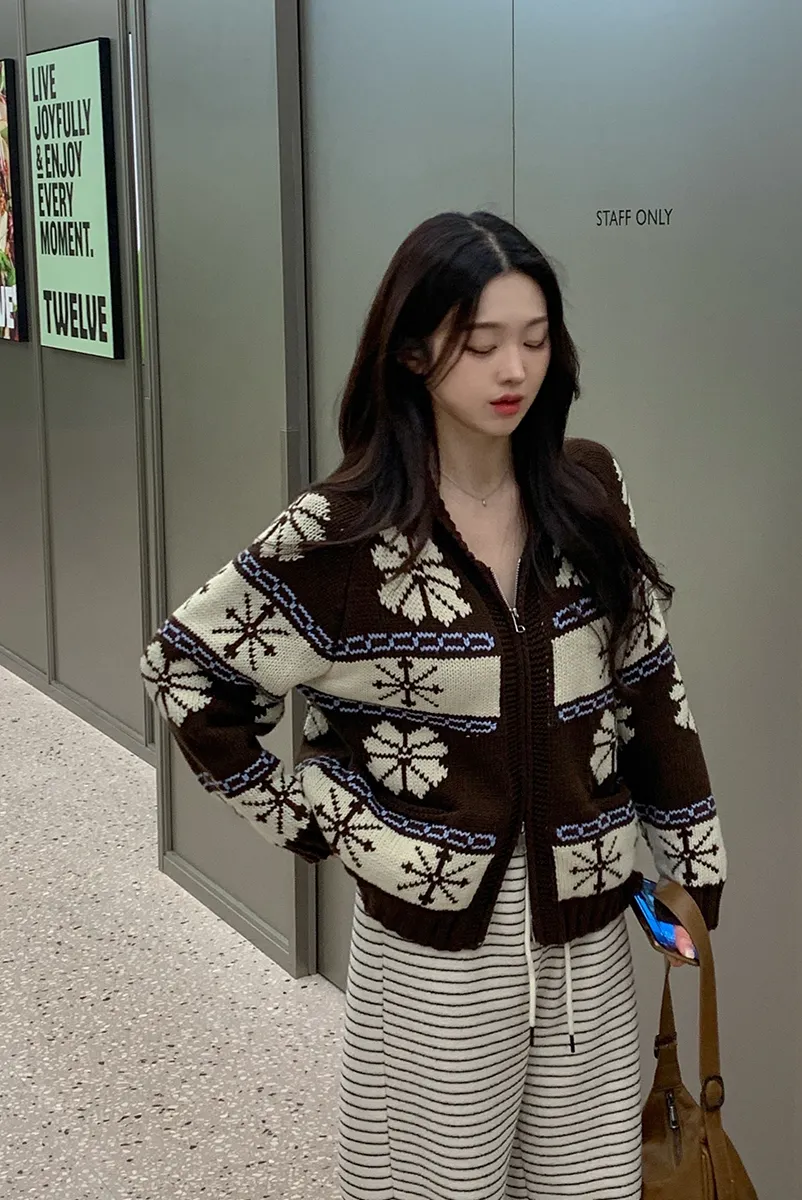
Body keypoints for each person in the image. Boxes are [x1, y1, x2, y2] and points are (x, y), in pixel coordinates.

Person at [139, 210, 727, 1199]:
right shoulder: (345, 533)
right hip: (432, 965)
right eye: (481, 344)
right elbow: (186, 674)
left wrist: (691, 872)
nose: (514, 370)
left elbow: (649, 685)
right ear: (413, 352)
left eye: (534, 339)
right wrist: (321, 817)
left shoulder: (586, 490)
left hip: (586, 946)